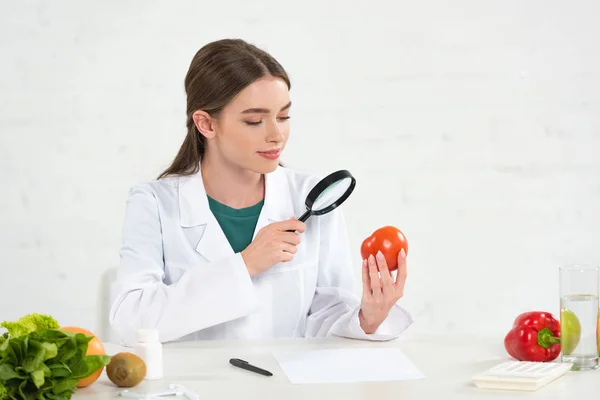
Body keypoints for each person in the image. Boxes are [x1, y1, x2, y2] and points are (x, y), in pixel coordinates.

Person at [109, 38, 413, 346]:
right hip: (195, 389)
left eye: (283, 116)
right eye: (254, 120)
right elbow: (131, 321)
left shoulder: (313, 196)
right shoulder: (154, 203)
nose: (276, 135)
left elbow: (328, 314)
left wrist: (368, 318)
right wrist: (245, 264)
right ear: (206, 124)